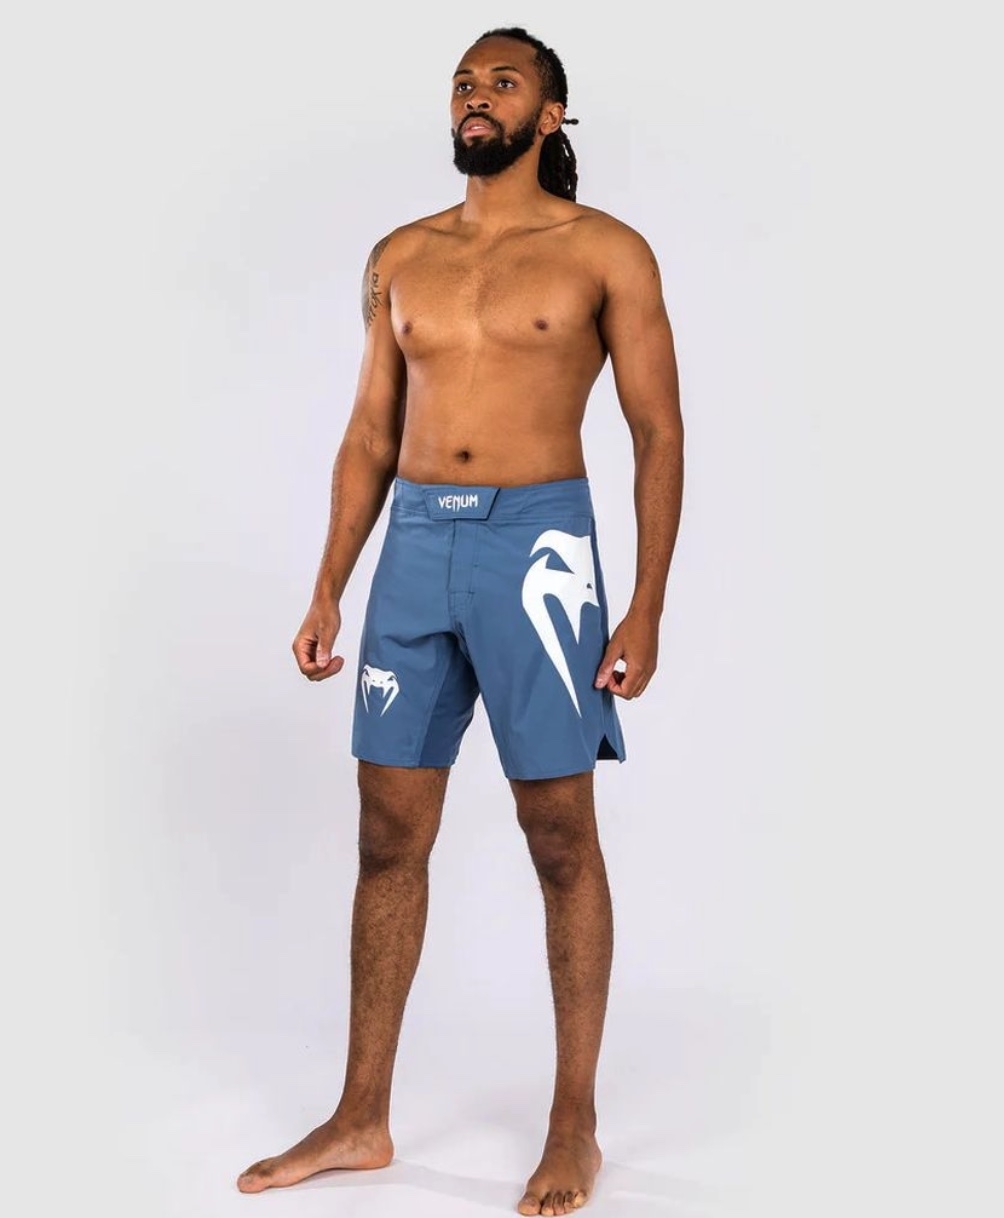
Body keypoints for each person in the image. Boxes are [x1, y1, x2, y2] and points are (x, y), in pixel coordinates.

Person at [237, 25, 683, 1217]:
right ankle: (360, 1115)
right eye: (463, 82)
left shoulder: (605, 252)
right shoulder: (400, 257)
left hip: (538, 549)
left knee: (558, 833)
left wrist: (645, 601)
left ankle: (574, 1122)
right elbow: (368, 434)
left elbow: (656, 432)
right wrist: (328, 584)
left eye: (502, 82)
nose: (475, 96)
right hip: (415, 549)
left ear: (550, 114)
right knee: (388, 830)